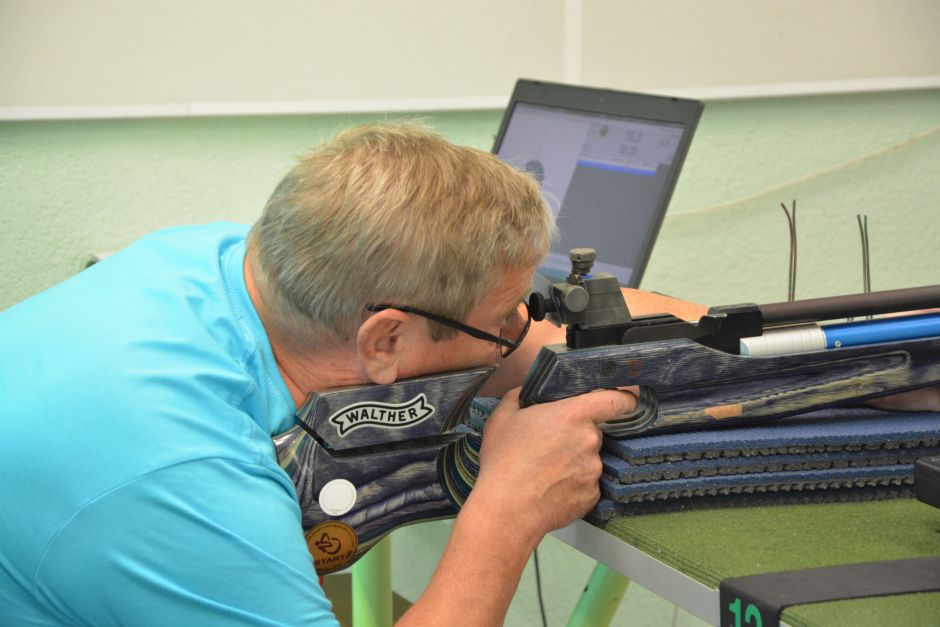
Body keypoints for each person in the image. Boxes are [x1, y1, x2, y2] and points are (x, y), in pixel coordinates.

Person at [0, 122, 705, 626]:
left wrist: (726, 337)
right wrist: (507, 509)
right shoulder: (186, 474)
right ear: (385, 339)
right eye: (500, 322)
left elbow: (541, 336)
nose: (518, 333)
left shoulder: (223, 261)